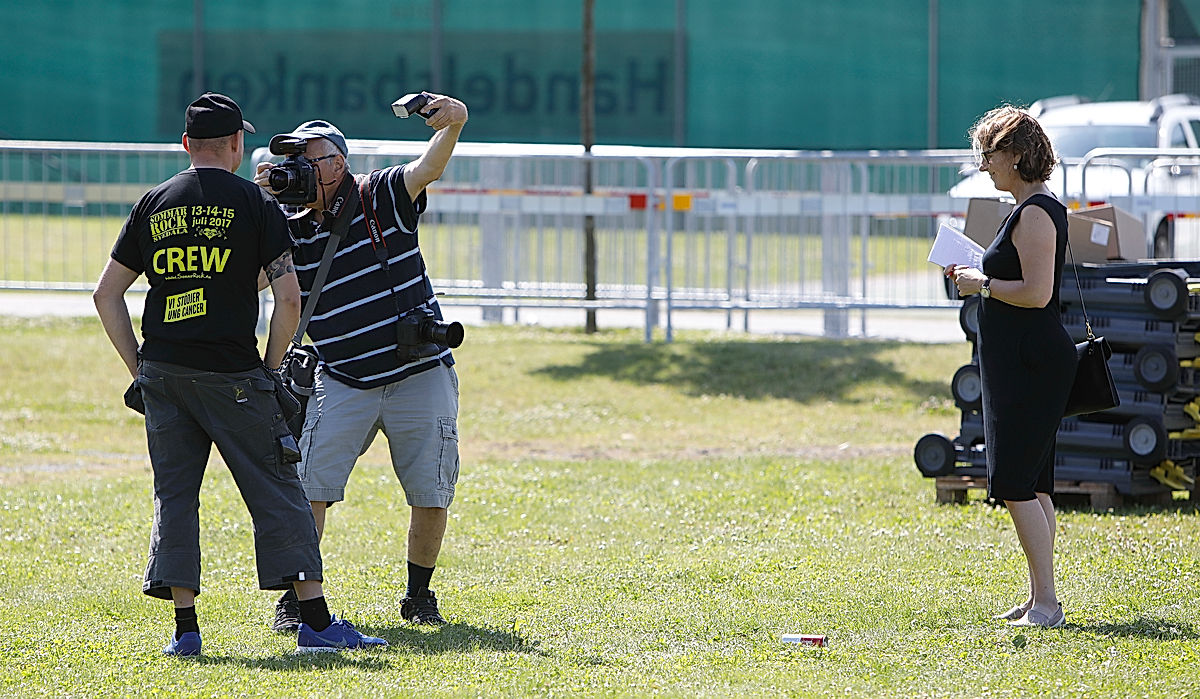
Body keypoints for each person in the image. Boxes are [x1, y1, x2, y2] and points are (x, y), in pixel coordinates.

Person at [93, 92, 387, 655]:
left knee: (175, 496)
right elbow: (290, 299)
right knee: (278, 488)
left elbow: (107, 294)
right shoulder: (255, 204)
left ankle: (186, 632)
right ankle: (317, 625)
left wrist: (141, 369)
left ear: (185, 144)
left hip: (165, 372)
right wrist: (271, 371)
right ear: (236, 144)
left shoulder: (154, 202)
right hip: (233, 374)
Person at [253, 94, 468, 631]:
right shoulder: (284, 223)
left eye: (311, 159)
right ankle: (298, 597)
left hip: (419, 371)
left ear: (338, 163)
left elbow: (429, 167)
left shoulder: (380, 194)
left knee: (430, 489)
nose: (299, 170)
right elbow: (252, 280)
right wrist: (253, 205)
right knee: (311, 487)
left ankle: (420, 595)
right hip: (342, 376)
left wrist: (454, 122)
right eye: (292, 161)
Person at [946, 105, 1073, 629]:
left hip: (1032, 363)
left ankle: (1047, 605)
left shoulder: (1037, 212)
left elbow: (1038, 294)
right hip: (1019, 360)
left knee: (1016, 482)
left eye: (990, 155)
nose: (984, 166)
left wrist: (983, 284)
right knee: (1033, 481)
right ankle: (1038, 597)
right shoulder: (1026, 208)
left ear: (1017, 154)